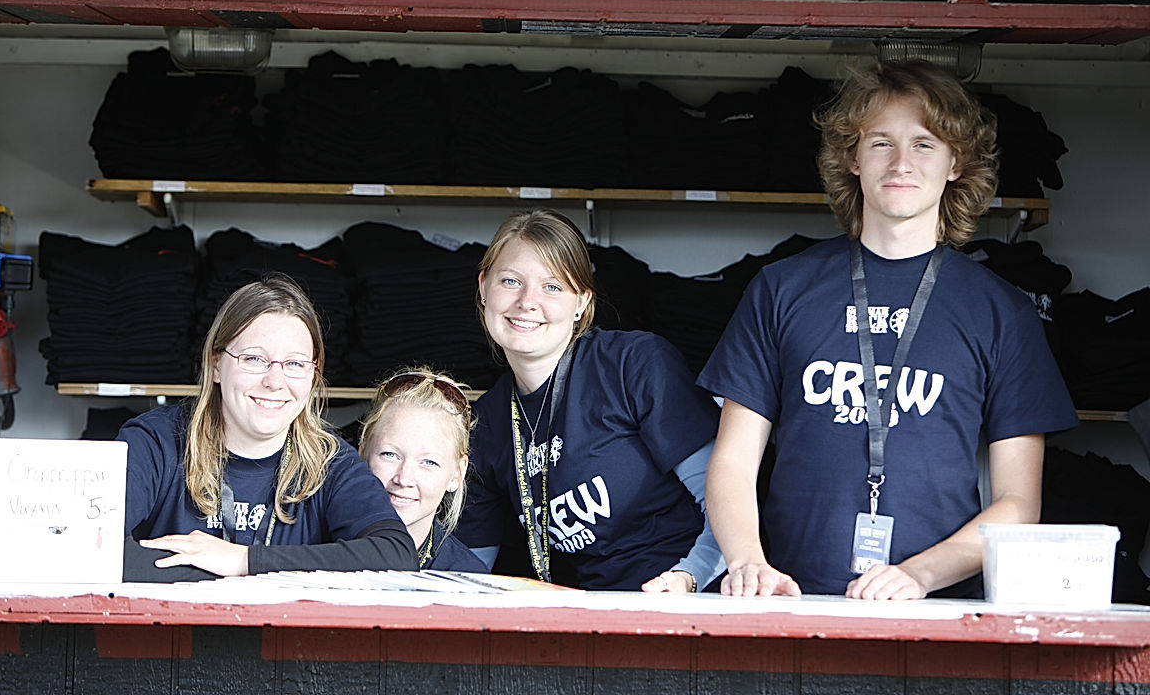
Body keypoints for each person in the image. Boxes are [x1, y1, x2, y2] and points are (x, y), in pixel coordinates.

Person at [700, 60, 1078, 600]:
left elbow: (1018, 503)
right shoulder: (780, 288)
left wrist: (920, 574)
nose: (901, 163)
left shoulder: (1001, 311)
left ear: (955, 162)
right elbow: (733, 461)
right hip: (789, 594)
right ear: (853, 158)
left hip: (939, 605)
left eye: (924, 144)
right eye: (881, 143)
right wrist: (748, 563)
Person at [455, 208, 724, 592]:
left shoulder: (633, 364)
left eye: (552, 287)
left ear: (581, 301)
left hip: (691, 600)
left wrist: (688, 578)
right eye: (511, 281)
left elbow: (729, 503)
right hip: (590, 612)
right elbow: (470, 572)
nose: (527, 302)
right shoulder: (485, 424)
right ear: (483, 288)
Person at [118, 273, 416, 582]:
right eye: (254, 359)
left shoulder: (332, 462)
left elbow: (395, 556)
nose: (274, 382)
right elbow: (90, 549)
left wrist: (244, 561)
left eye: (295, 364)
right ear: (216, 365)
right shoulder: (155, 443)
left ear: (313, 375)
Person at [358, 368, 489, 572]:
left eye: (428, 462)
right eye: (390, 454)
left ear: (457, 473)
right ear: (362, 452)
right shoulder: (315, 542)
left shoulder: (467, 577)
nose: (404, 478)